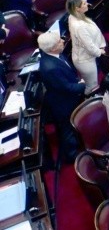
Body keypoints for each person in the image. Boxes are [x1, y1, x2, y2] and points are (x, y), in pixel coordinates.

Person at [38, 31, 84, 162]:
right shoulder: (50, 68)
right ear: (52, 48)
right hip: (63, 104)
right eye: (59, 41)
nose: (63, 41)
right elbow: (66, 88)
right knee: (67, 129)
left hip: (68, 96)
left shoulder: (54, 53)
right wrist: (82, 85)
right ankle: (72, 156)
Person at [66, 0, 107, 93]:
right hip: (85, 60)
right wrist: (100, 52)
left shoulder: (73, 16)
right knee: (92, 86)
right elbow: (89, 46)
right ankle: (89, 99)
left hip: (85, 56)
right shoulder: (79, 26)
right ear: (77, 9)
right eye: (84, 3)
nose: (87, 4)